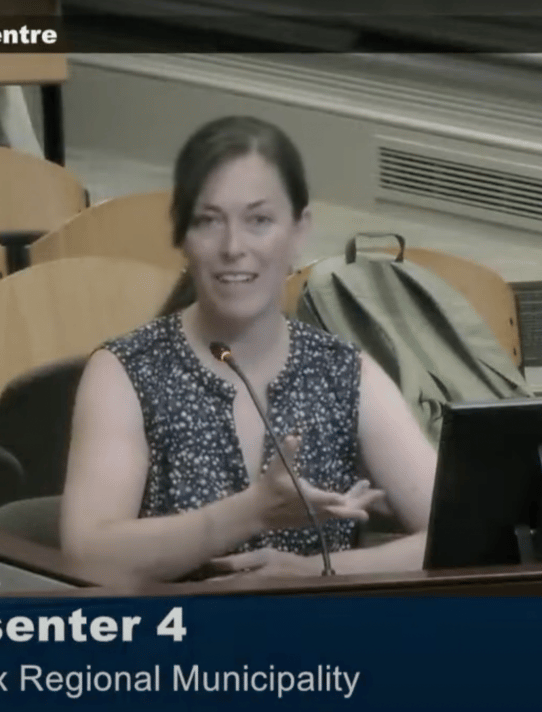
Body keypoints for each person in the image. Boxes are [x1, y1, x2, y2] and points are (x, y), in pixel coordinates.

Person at [60, 116, 437, 584]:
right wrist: (250, 513)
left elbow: (460, 534)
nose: (233, 246)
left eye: (259, 221)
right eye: (208, 221)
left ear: (299, 232)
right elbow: (88, 556)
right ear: (182, 238)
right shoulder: (124, 371)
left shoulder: (343, 371)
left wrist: (313, 573)